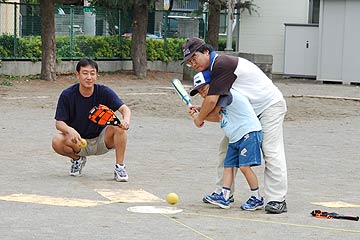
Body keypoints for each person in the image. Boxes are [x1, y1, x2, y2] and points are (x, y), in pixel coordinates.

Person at [182, 37, 288, 214]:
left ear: (206, 52)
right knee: (226, 148)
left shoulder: (221, 63)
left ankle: (277, 199)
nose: (193, 63)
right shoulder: (213, 70)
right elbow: (218, 110)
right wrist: (201, 113)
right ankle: (224, 193)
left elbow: (212, 100)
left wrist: (199, 119)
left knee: (271, 150)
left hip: (269, 106)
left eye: (195, 58)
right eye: (189, 61)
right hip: (248, 114)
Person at [190, 71, 264, 210]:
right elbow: (218, 117)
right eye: (200, 92)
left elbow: (213, 113)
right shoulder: (219, 99)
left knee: (244, 167)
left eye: (204, 89)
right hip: (235, 138)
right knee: (228, 166)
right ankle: (224, 196)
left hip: (248, 134)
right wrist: (199, 111)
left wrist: (198, 117)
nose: (203, 94)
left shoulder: (226, 93)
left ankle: (257, 197)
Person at [52, 59, 131, 182]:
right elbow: (59, 123)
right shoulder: (67, 95)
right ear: (77, 74)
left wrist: (126, 120)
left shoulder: (104, 92)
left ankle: (119, 167)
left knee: (119, 128)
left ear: (97, 75)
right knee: (57, 140)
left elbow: (125, 109)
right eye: (85, 73)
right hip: (79, 141)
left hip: (102, 140)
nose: (89, 77)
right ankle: (78, 159)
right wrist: (70, 130)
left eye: (92, 73)